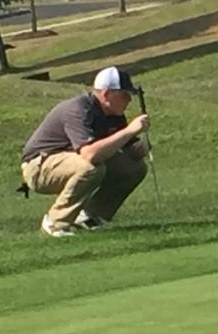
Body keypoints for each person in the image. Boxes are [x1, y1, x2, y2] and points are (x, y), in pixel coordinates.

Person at [20, 66, 150, 237]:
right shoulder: (79, 109)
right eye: (124, 95)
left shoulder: (114, 114)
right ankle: (55, 222)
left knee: (134, 167)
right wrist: (129, 131)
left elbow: (129, 151)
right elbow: (90, 154)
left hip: (69, 160)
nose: (129, 100)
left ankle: (89, 216)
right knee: (90, 168)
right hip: (39, 166)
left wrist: (140, 148)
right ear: (107, 94)